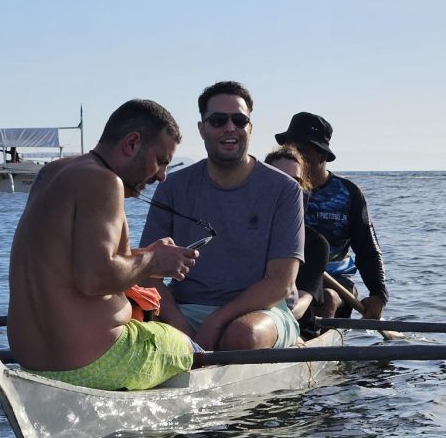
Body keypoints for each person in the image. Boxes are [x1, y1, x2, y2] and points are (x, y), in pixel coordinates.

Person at [7, 98, 198, 391]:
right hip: (94, 363)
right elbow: (95, 278)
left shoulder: (53, 172)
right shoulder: (104, 181)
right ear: (132, 143)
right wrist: (154, 261)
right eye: (160, 161)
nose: (162, 176)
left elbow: (72, 263)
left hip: (32, 361)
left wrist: (145, 254)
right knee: (188, 347)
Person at [139, 80, 305, 351]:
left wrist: (215, 322)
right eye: (218, 120)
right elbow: (148, 271)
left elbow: (280, 283)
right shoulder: (171, 187)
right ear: (202, 129)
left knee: (242, 336)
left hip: (263, 313)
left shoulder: (284, 189)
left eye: (239, 120)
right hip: (184, 311)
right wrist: (182, 331)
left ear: (250, 127)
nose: (230, 128)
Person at [276, 111, 388, 320]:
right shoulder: (275, 187)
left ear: (322, 155)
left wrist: (378, 294)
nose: (295, 157)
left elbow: (368, 249)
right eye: (289, 149)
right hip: (285, 275)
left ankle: (316, 346)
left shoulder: (349, 193)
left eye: (302, 150)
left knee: (327, 298)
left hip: (336, 283)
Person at [264, 145, 330, 330]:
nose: (287, 188)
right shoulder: (243, 229)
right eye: (279, 179)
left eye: (295, 182)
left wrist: (265, 319)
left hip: (293, 324)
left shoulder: (316, 243)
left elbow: (299, 306)